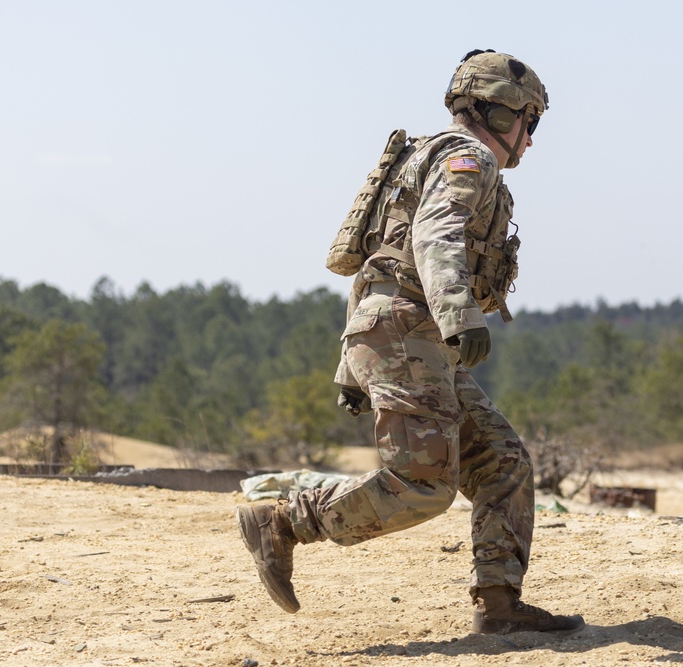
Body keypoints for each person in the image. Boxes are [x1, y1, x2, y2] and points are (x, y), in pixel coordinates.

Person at [236, 49, 584, 635]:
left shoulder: (419, 157)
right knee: (422, 487)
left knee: (503, 465)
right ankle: (284, 520)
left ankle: (499, 606)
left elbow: (376, 262)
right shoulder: (468, 159)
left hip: (402, 333)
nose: (531, 140)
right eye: (532, 122)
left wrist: (351, 367)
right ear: (506, 115)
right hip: (413, 331)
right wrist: (460, 313)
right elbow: (433, 235)